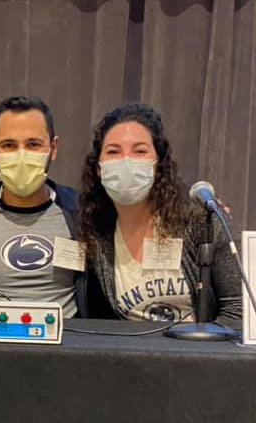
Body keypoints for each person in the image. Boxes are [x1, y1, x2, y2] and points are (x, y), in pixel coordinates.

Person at [0, 96, 112, 319]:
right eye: (9, 145)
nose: (21, 155)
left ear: (54, 147)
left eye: (33, 144)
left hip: (67, 349)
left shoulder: (84, 215)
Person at [77, 102, 241, 326]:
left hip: (200, 355)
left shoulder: (201, 222)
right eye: (113, 151)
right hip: (132, 358)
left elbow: (238, 310)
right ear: (99, 168)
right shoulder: (97, 235)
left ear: (158, 164)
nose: (127, 160)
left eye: (140, 151)